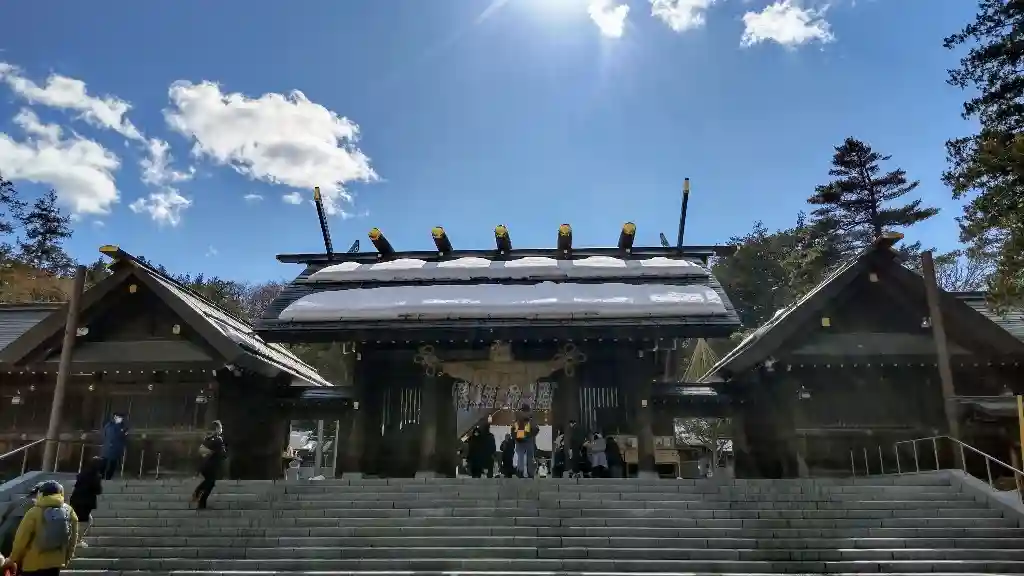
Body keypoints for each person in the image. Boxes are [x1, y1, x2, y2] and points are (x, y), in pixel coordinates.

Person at [5, 480, 79, 576]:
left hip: (32, 564)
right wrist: (67, 558)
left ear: (41, 494)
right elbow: (73, 539)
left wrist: (13, 559)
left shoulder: (34, 512)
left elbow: (21, 539)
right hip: (55, 564)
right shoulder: (69, 511)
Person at [68, 458, 104, 548]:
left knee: (79, 520)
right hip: (85, 502)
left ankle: (74, 539)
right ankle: (76, 540)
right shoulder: (95, 476)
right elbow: (98, 490)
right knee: (84, 521)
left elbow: (77, 485)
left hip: (75, 500)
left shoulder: (82, 473)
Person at [191, 420, 227, 510]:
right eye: (220, 428)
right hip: (211, 465)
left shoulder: (208, 439)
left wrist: (208, 452)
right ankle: (199, 496)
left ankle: (200, 500)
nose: (221, 430)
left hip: (205, 466)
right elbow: (222, 453)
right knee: (210, 483)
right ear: (217, 429)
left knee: (209, 482)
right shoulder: (218, 439)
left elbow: (201, 450)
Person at [510, 405, 538, 478]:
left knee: (522, 456)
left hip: (523, 439)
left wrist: (517, 437)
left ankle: (523, 471)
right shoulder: (528, 420)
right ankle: (526, 472)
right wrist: (529, 435)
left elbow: (513, 430)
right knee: (526, 456)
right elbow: (536, 429)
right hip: (526, 440)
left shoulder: (521, 420)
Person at [100, 413, 128, 480]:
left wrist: (123, 433)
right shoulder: (110, 425)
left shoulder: (121, 426)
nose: (121, 419)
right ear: (115, 417)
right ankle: (103, 475)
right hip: (110, 446)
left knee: (112, 463)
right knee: (105, 462)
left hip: (115, 447)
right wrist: (123, 434)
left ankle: (107, 476)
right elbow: (112, 435)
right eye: (120, 417)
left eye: (122, 418)